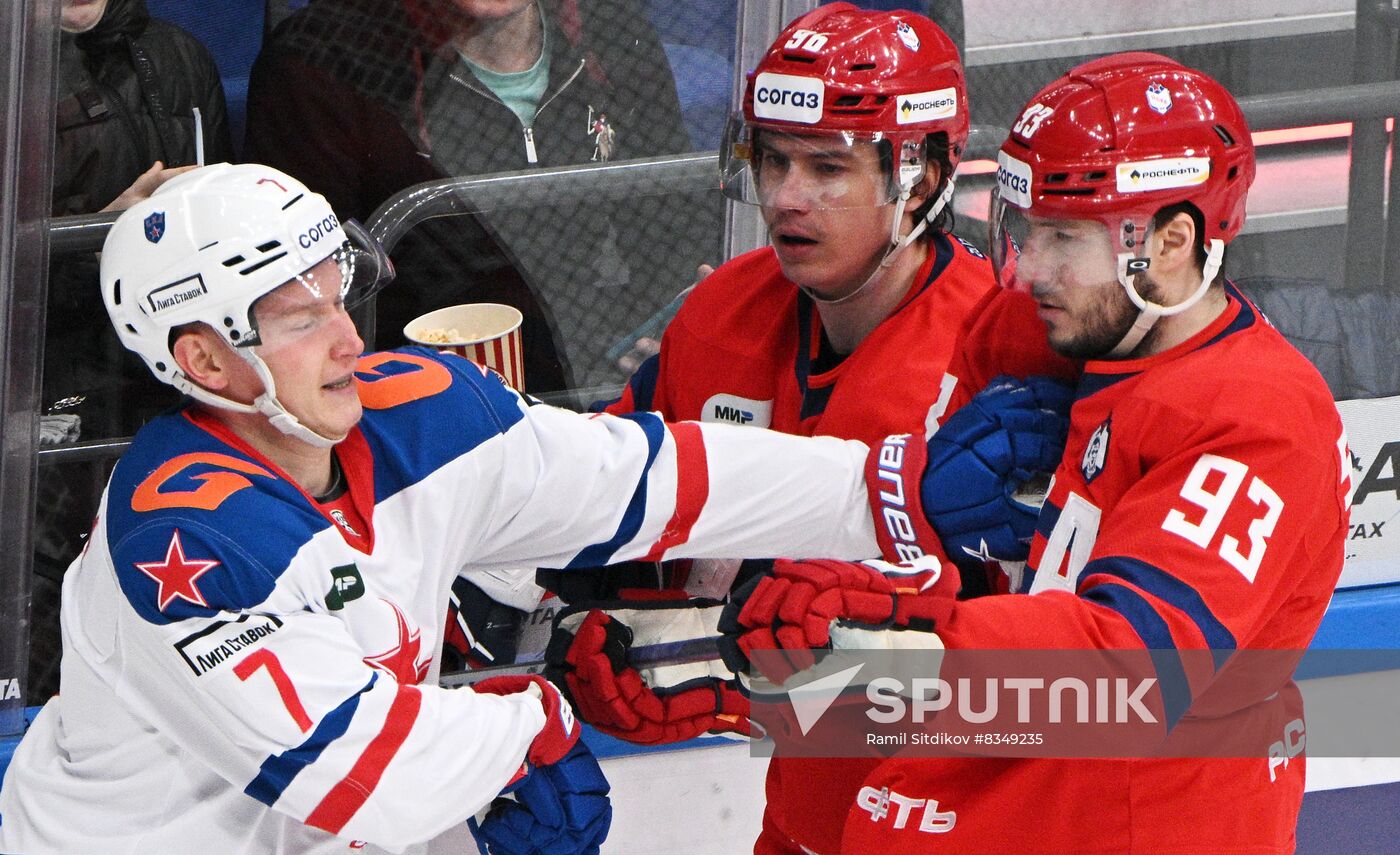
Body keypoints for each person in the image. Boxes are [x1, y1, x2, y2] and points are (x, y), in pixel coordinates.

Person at [0, 162, 1066, 854]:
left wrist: (884, 489)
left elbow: (643, 479)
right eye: (294, 316)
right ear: (204, 361)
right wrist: (537, 720)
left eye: (335, 290)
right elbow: (356, 768)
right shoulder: (182, 534)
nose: (346, 335)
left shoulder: (412, 414)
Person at [717, 53, 1350, 853]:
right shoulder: (1030, 329)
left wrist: (896, 647)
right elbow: (941, 559)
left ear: (1170, 243)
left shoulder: (1261, 419)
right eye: (1024, 229)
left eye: (1064, 236)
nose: (1030, 269)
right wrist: (821, 603)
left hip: (1131, 828)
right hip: (961, 801)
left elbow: (1135, 670)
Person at [546, 7, 1074, 855]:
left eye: (828, 167)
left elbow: (1044, 672)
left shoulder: (1003, 362)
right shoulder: (720, 310)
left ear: (923, 178)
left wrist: (729, 677)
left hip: (969, 823)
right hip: (801, 815)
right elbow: (612, 506)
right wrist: (604, 627)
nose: (787, 196)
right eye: (775, 159)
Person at [246, 0, 715, 392]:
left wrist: (664, 336)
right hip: (418, 401)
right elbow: (306, 302)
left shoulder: (610, 28)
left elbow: (674, 229)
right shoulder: (321, 59)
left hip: (601, 387)